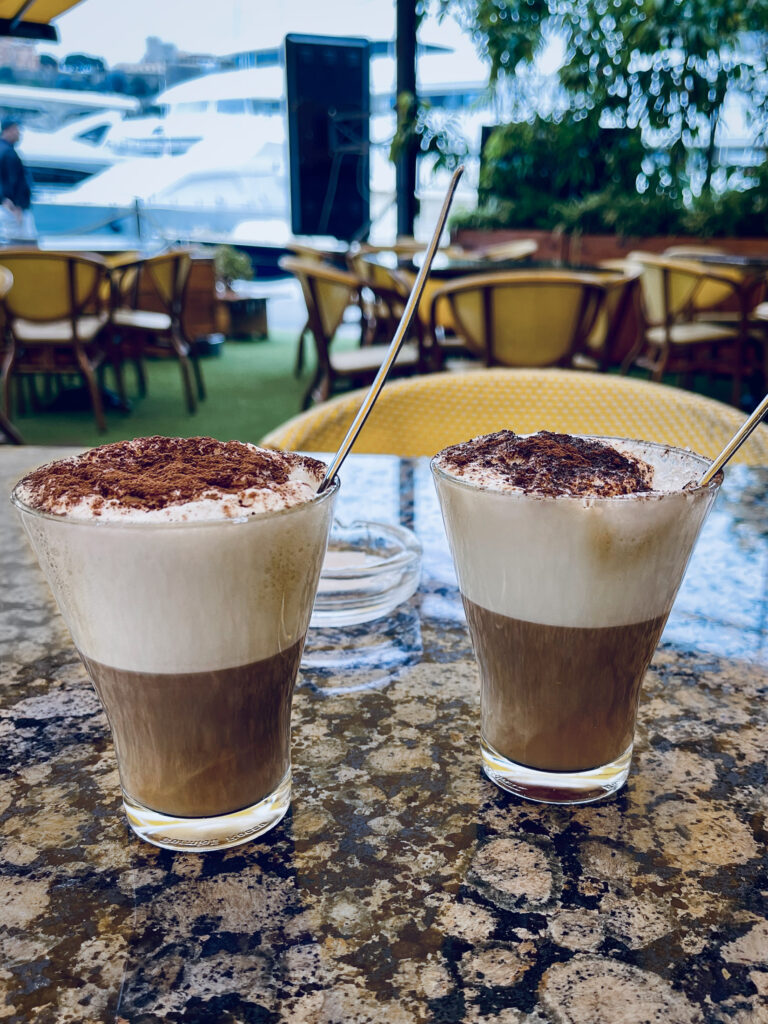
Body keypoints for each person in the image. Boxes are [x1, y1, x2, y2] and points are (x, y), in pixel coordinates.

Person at [0, 116, 36, 243]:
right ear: (8, 130)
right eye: (17, 129)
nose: (19, 133)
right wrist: (17, 205)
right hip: (13, 207)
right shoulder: (8, 153)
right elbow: (13, 180)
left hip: (6, 204)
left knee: (12, 239)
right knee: (23, 242)